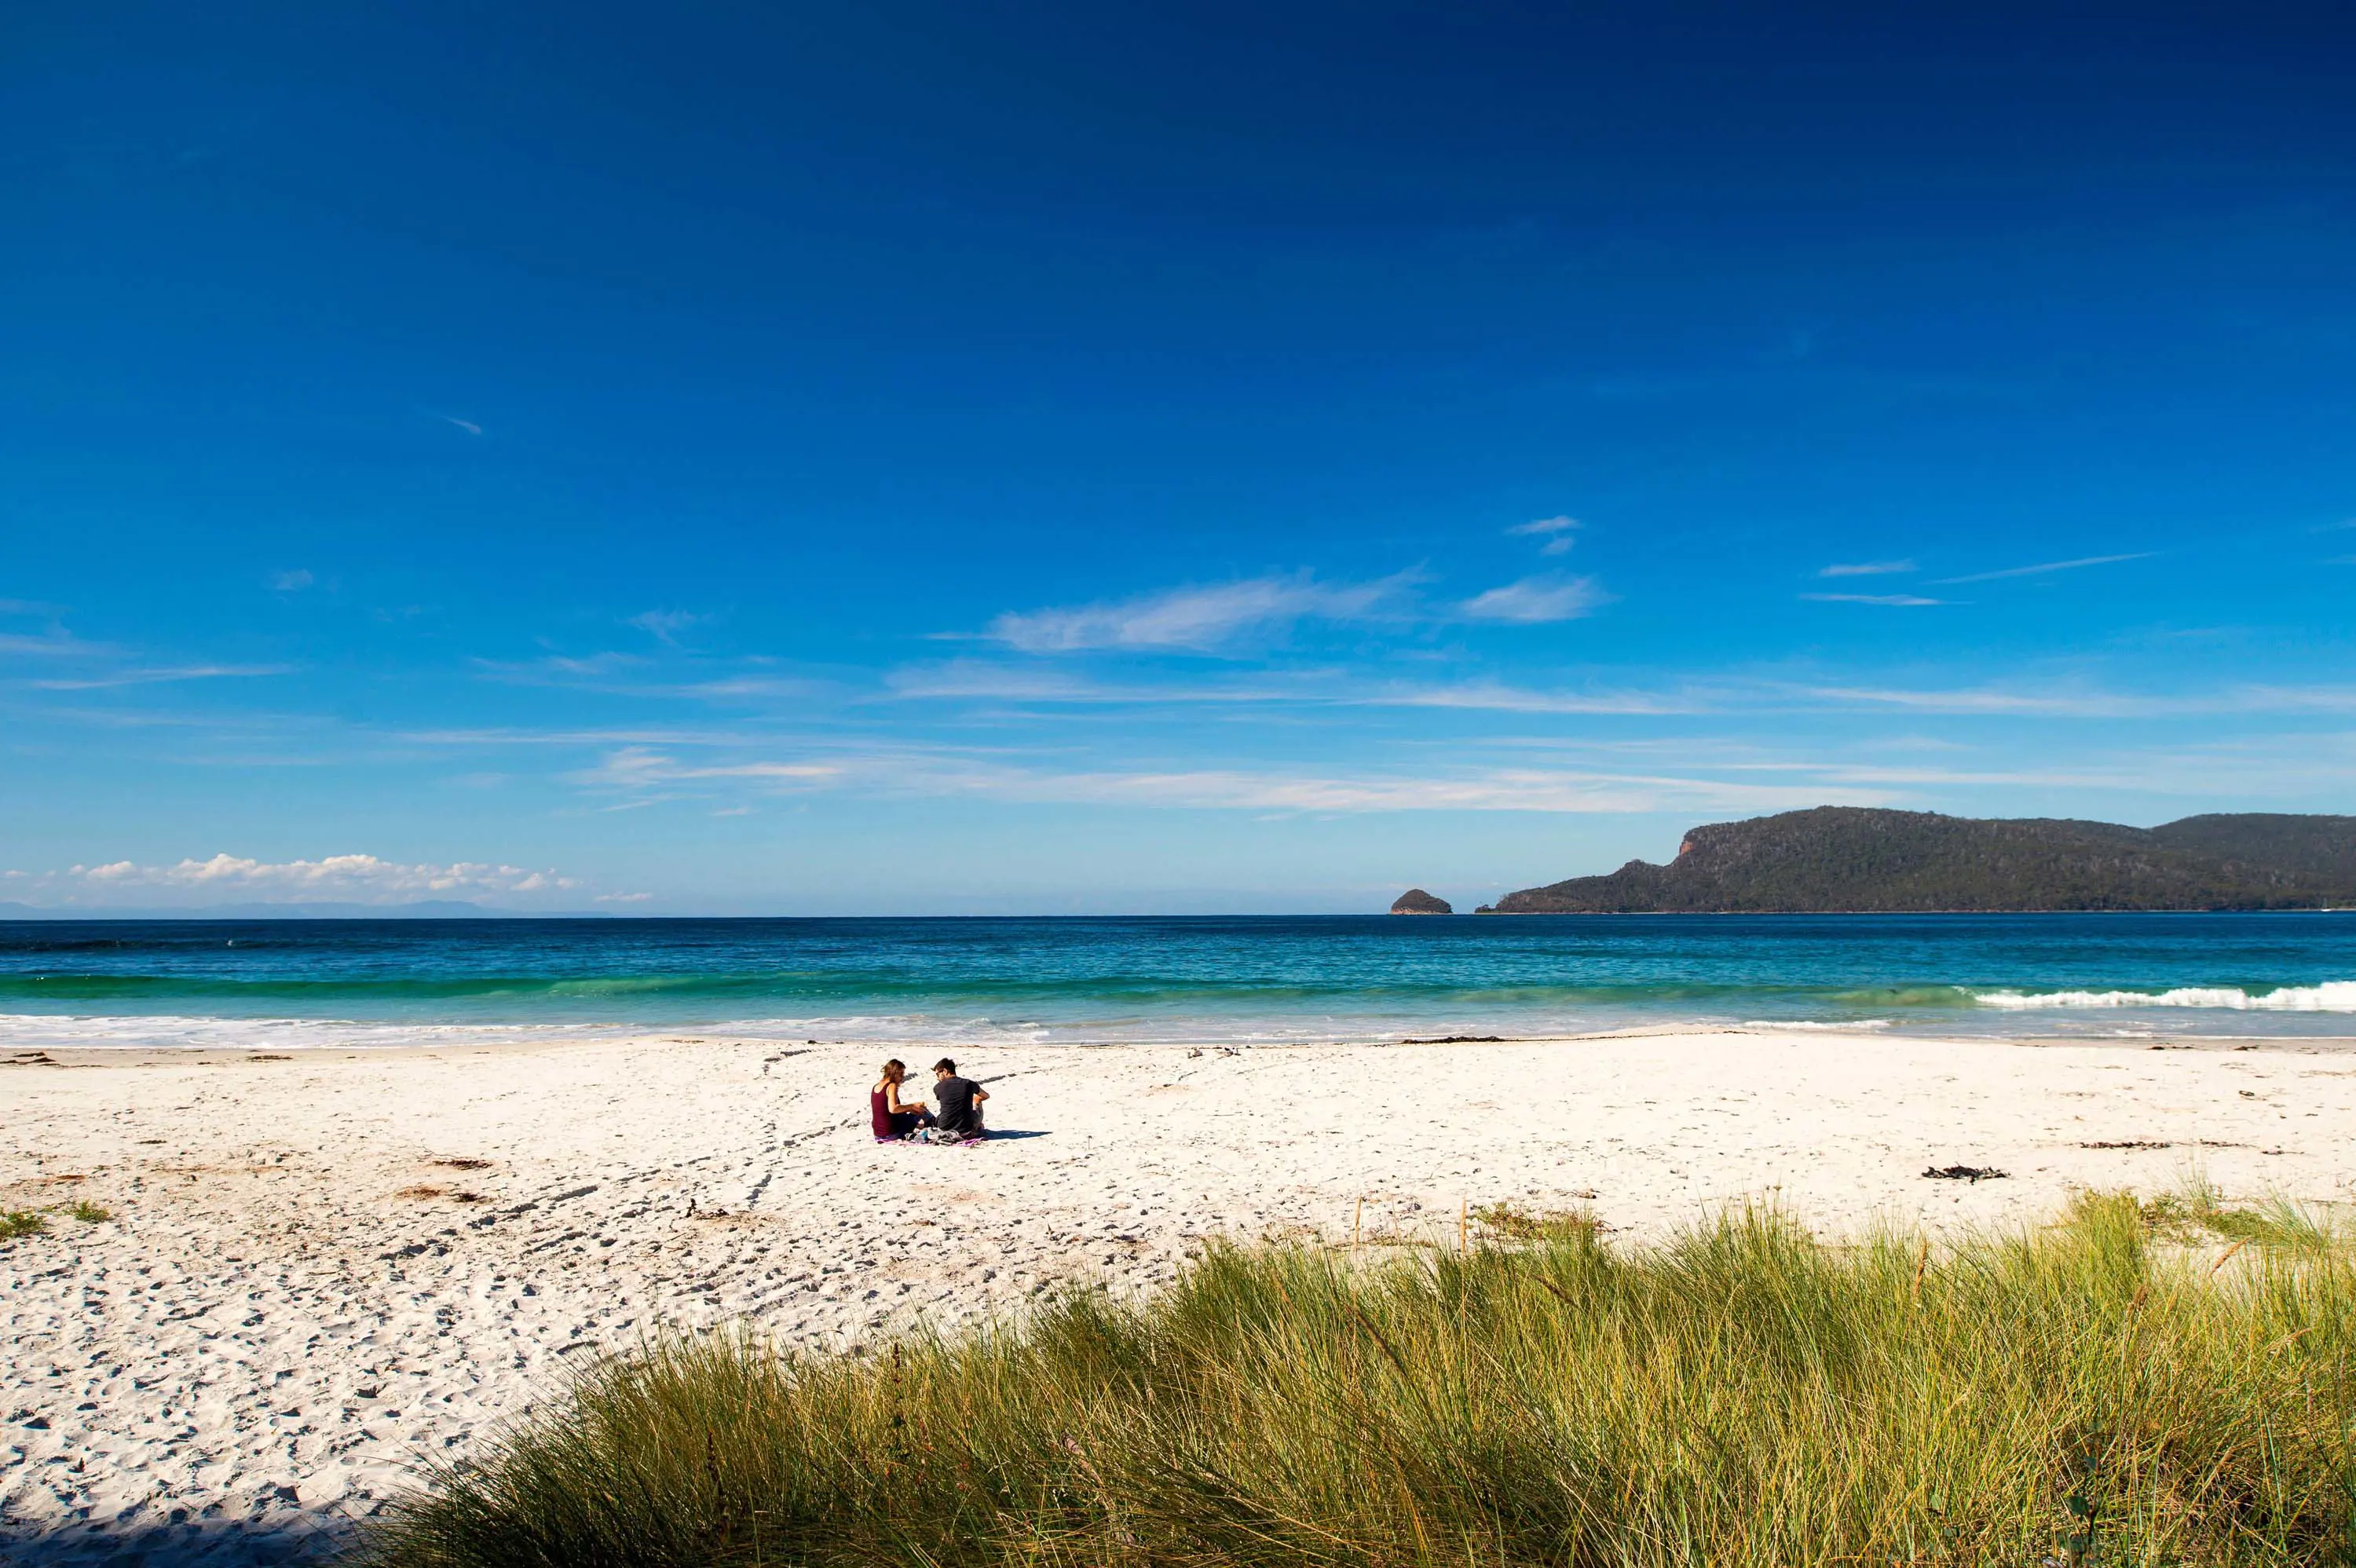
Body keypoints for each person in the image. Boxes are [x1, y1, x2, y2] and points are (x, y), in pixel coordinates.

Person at [870, 1059, 935, 1141]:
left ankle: (924, 1125)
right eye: (901, 1074)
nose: (902, 1077)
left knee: (913, 1110)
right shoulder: (891, 1086)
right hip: (891, 1134)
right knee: (921, 1109)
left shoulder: (876, 1086)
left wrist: (910, 1109)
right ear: (895, 1073)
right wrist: (912, 1106)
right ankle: (932, 1126)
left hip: (878, 1134)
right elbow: (893, 1109)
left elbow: (886, 1110)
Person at [930, 1057, 988, 1139]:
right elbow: (986, 1096)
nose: (937, 1078)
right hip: (966, 1129)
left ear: (945, 1071)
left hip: (944, 1128)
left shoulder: (937, 1087)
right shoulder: (968, 1083)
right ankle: (977, 1125)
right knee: (977, 1099)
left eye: (938, 1074)